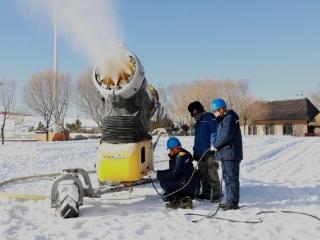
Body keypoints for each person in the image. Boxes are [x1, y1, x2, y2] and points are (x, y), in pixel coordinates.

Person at [210, 98, 243, 211]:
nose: (215, 113)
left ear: (222, 108)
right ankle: (230, 201)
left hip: (231, 154)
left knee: (231, 178)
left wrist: (215, 145)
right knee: (227, 178)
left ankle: (233, 203)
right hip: (226, 154)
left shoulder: (230, 118)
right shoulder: (224, 118)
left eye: (215, 111)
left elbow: (226, 135)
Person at [187, 101, 220, 202]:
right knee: (202, 174)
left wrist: (213, 145)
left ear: (198, 110)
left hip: (209, 151)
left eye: (194, 114)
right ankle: (206, 192)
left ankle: (216, 193)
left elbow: (214, 132)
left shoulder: (209, 117)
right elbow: (198, 138)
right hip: (200, 152)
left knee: (212, 172)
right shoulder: (198, 122)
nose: (194, 117)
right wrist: (195, 151)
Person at [155, 137, 200, 209]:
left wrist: (157, 174)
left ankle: (179, 199)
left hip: (187, 186)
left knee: (163, 182)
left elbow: (173, 173)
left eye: (170, 149)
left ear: (175, 148)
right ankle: (180, 197)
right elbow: (175, 171)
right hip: (192, 186)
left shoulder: (179, 157)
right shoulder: (183, 154)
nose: (169, 151)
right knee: (166, 197)